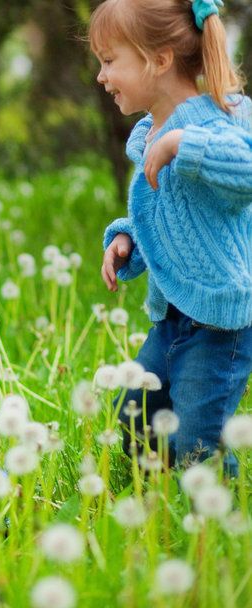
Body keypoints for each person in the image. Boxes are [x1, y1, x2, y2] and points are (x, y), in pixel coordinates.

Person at [91, 0, 252, 471]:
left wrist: (184, 144)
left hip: (220, 323)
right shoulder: (147, 132)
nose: (101, 76)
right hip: (172, 318)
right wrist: (127, 243)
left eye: (108, 60)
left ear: (159, 60)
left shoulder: (218, 121)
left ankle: (211, 515)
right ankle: (157, 504)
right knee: (136, 418)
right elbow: (169, 219)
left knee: (199, 443)